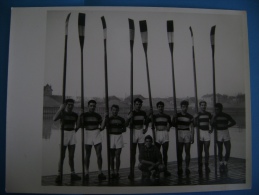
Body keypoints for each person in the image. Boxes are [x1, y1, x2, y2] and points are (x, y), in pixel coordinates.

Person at [53, 98, 81, 183]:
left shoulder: (75, 114)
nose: (70, 106)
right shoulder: (62, 112)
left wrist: (80, 116)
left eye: (72, 105)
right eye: (69, 105)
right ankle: (59, 174)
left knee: (71, 156)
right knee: (62, 156)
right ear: (66, 105)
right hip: (63, 134)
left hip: (72, 134)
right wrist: (60, 109)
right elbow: (54, 119)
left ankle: (72, 173)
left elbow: (78, 125)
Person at [77, 100, 106, 181]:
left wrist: (104, 118)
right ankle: (86, 172)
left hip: (96, 133)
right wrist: (80, 116)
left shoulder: (98, 115)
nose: (92, 107)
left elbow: (102, 127)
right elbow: (78, 125)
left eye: (94, 106)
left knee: (99, 155)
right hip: (88, 134)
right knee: (87, 155)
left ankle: (100, 172)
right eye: (91, 106)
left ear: (95, 107)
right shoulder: (84, 115)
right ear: (88, 106)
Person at [125, 98, 149, 179]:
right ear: (134, 105)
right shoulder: (131, 112)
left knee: (142, 153)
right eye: (136, 104)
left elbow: (147, 121)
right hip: (133, 132)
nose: (138, 106)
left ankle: (143, 171)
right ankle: (131, 172)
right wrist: (128, 117)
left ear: (141, 105)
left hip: (141, 132)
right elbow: (126, 124)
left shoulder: (143, 113)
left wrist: (146, 128)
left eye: (139, 104)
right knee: (133, 153)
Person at [101, 104, 126, 179]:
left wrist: (117, 130)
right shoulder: (108, 119)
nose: (115, 112)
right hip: (111, 137)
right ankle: (112, 171)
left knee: (117, 156)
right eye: (113, 110)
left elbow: (124, 129)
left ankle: (117, 172)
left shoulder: (121, 119)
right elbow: (102, 127)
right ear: (111, 111)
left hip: (118, 137)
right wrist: (105, 117)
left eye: (116, 110)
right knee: (111, 157)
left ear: (118, 111)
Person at [211, 103, 236, 173]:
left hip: (225, 132)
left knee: (228, 149)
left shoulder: (226, 115)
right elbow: (211, 124)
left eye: (218, 109)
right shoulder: (214, 116)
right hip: (218, 133)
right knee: (220, 149)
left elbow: (234, 122)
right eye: (215, 109)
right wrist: (213, 117)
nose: (216, 111)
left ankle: (225, 162)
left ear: (221, 109)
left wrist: (228, 126)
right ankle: (221, 163)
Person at [172, 100, 194, 176]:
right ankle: (180, 167)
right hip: (179, 132)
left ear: (187, 107)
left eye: (186, 107)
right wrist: (173, 118)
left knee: (187, 151)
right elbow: (173, 124)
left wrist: (192, 137)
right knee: (179, 151)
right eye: (183, 106)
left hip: (187, 133)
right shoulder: (177, 115)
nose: (184, 108)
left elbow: (192, 127)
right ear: (181, 107)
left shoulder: (190, 116)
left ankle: (187, 167)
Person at [152, 101, 172, 177]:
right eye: (159, 107)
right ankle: (156, 170)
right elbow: (148, 121)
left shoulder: (167, 116)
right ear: (157, 108)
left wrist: (169, 127)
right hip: (157, 134)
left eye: (162, 106)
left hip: (165, 134)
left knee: (164, 153)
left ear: (163, 107)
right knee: (157, 154)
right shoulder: (154, 116)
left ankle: (165, 169)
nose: (160, 108)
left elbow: (171, 124)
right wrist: (150, 114)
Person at [194, 100, 212, 174]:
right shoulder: (198, 114)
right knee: (200, 150)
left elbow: (212, 122)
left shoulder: (209, 114)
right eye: (202, 105)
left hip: (207, 132)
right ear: (200, 106)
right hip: (200, 132)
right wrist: (195, 118)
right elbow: (194, 124)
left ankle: (206, 165)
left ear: (206, 106)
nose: (203, 106)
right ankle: (200, 166)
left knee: (206, 150)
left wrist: (212, 129)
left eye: (204, 105)